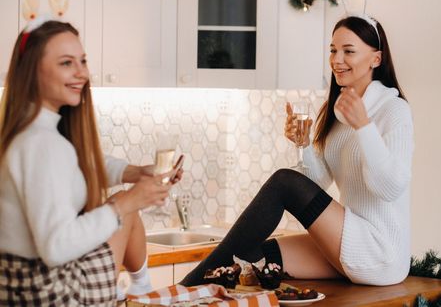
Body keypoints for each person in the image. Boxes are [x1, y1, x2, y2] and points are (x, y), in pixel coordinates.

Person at [180, 15, 413, 287]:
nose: (337, 60)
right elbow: (316, 185)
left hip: (381, 253)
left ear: (376, 59)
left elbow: (391, 187)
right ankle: (193, 293)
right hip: (349, 238)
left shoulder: (394, 110)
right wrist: (303, 144)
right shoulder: (338, 113)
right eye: (333, 50)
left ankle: (185, 288)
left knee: (284, 181)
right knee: (252, 256)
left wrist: (364, 126)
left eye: (348, 51)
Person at [0, 19, 182, 305]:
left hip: (17, 290)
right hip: (53, 294)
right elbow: (56, 247)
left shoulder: (29, 131)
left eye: (82, 61)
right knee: (124, 208)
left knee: (124, 206)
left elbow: (82, 166)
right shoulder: (44, 145)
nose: (82, 73)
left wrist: (135, 173)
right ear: (33, 71)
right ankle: (143, 292)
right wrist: (127, 203)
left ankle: (141, 291)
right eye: (66, 63)